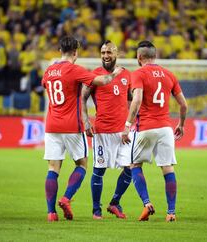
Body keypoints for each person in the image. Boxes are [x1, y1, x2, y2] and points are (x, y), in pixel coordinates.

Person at [42, 36, 123, 222]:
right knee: (82, 164)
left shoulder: (49, 70)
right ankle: (66, 197)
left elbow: (45, 85)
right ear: (75, 52)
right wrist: (116, 74)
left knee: (53, 169)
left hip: (52, 126)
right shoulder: (75, 70)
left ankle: (51, 213)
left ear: (60, 50)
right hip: (71, 126)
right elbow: (101, 81)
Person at [122, 41, 187, 222]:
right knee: (167, 168)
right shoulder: (169, 74)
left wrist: (127, 125)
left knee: (135, 165)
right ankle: (171, 212)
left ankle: (146, 202)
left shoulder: (138, 74)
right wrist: (181, 124)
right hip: (166, 128)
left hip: (146, 127)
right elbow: (183, 104)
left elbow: (136, 100)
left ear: (139, 57)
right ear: (155, 56)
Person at [81, 40, 132, 219]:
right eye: (103, 53)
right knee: (99, 171)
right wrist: (86, 121)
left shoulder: (126, 75)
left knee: (130, 169)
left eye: (109, 52)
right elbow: (82, 98)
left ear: (116, 53)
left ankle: (115, 203)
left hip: (123, 132)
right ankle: (96, 210)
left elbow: (131, 100)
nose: (106, 56)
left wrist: (131, 123)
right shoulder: (95, 75)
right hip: (102, 131)